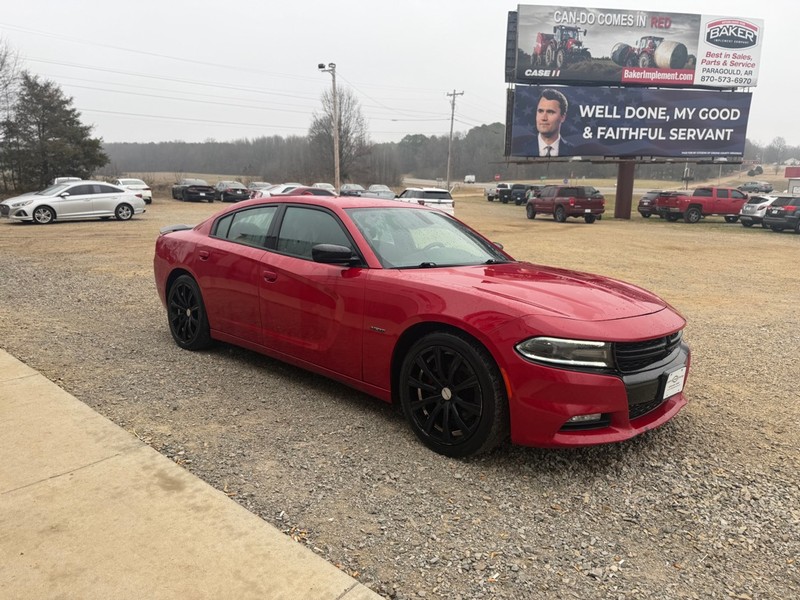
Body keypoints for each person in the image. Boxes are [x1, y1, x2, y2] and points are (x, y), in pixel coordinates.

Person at [534, 88, 571, 157]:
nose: (544, 118)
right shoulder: (521, 149)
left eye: (550, 112)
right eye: (540, 111)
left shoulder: (573, 151)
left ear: (562, 117)